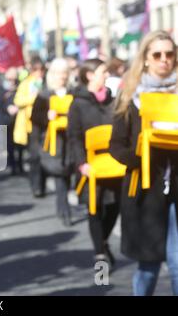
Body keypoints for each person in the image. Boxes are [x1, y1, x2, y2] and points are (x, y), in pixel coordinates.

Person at [109, 30, 178, 296]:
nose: (165, 60)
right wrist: (143, 154)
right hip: (145, 191)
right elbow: (116, 146)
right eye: (157, 54)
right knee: (149, 267)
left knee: (176, 263)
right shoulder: (130, 96)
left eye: (170, 54)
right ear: (146, 58)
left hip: (176, 188)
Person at [67, 58, 121, 267]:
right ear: (90, 75)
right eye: (103, 71)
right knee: (95, 208)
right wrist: (82, 164)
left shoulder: (112, 100)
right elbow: (74, 136)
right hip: (90, 165)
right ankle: (100, 254)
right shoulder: (78, 103)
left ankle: (104, 240)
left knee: (115, 207)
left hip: (114, 164)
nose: (107, 75)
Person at [30, 58, 74, 226]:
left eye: (64, 73)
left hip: (70, 140)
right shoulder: (44, 95)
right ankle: (65, 209)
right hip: (52, 142)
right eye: (57, 73)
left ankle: (62, 206)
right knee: (59, 174)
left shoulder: (73, 92)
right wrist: (46, 117)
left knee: (67, 174)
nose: (61, 76)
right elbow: (35, 118)